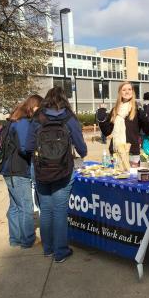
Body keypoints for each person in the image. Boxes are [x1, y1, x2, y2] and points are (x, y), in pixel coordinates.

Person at [26, 86, 87, 263]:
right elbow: (81, 147)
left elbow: (29, 146)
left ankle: (48, 249)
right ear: (64, 99)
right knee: (60, 210)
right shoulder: (69, 117)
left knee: (45, 209)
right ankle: (60, 251)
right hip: (63, 170)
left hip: (42, 170)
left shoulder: (38, 117)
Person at [1, 94, 43, 248]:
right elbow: (25, 147)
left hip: (8, 170)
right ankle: (28, 239)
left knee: (15, 206)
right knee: (26, 206)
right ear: (33, 107)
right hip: (19, 170)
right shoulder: (24, 123)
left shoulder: (13, 120)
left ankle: (15, 239)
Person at [96, 82, 149, 167]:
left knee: (133, 179)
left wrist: (144, 116)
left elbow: (148, 131)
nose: (127, 92)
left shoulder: (137, 109)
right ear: (120, 93)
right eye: (124, 90)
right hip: (116, 151)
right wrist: (101, 118)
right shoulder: (115, 110)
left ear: (132, 92)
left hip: (132, 152)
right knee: (118, 177)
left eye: (129, 89)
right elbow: (107, 132)